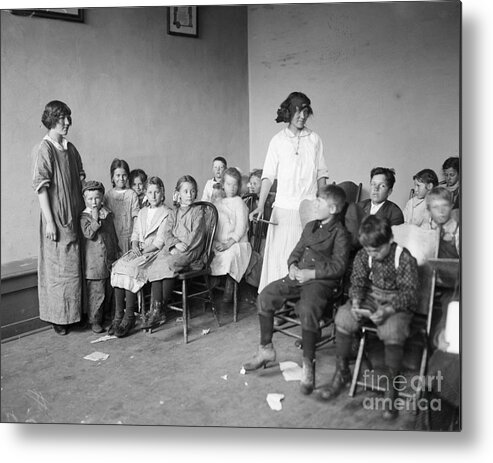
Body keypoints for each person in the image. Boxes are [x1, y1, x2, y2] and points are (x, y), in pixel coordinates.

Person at [243, 185, 350, 395]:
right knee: (266, 296)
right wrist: (292, 265)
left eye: (319, 202)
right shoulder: (311, 226)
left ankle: (308, 366)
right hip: (298, 276)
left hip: (321, 281)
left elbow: (339, 267)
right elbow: (296, 251)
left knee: (307, 309)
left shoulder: (340, 233)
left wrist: (312, 274)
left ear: (334, 209)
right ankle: (266, 349)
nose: (315, 204)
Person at [318, 215, 418, 421]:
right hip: (372, 296)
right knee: (344, 318)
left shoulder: (404, 257)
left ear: (389, 241)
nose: (372, 253)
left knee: (392, 331)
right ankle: (342, 371)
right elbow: (358, 281)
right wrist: (355, 302)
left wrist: (389, 310)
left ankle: (392, 387)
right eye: (369, 250)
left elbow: (409, 294)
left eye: (377, 250)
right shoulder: (366, 254)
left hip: (397, 301)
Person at [250, 92, 329, 292]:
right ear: (288, 112)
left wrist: (323, 205)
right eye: (297, 111)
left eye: (305, 111)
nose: (302, 116)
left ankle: (301, 303)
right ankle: (276, 300)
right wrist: (260, 205)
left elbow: (321, 175)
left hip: (308, 212)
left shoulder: (315, 140)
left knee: (304, 258)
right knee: (280, 258)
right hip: (283, 211)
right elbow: (268, 175)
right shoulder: (277, 141)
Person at [32, 100, 86, 335]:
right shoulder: (44, 149)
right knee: (58, 270)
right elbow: (42, 188)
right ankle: (59, 319)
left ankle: (75, 315)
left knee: (74, 268)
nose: (67, 122)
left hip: (74, 217)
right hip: (56, 219)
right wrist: (50, 222)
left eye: (68, 117)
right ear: (52, 119)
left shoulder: (70, 148)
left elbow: (81, 180)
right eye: (62, 118)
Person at [110, 176, 171, 336]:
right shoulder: (143, 212)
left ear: (162, 193)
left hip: (154, 253)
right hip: (140, 250)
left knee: (132, 268)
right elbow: (135, 233)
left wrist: (142, 252)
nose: (153, 196)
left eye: (157, 192)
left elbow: (159, 242)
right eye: (150, 192)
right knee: (118, 266)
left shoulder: (167, 213)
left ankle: (129, 316)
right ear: (145, 193)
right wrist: (135, 245)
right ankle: (118, 315)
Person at [145, 175, 207, 328]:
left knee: (171, 263)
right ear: (178, 194)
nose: (189, 195)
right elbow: (167, 233)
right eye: (185, 191)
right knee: (157, 262)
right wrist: (174, 245)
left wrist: (181, 246)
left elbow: (197, 234)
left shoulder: (198, 211)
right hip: (175, 248)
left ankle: (160, 307)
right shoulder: (174, 213)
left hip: (191, 250)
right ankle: (156, 309)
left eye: (193, 191)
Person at [104, 158, 140, 335]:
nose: (121, 178)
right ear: (112, 177)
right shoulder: (108, 196)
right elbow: (107, 222)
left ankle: (129, 315)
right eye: (117, 175)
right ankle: (118, 316)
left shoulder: (132, 195)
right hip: (114, 240)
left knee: (129, 274)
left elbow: (136, 219)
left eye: (124, 175)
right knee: (117, 274)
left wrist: (134, 242)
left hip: (130, 239)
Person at [80, 181, 120, 334]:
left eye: (97, 198)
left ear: (102, 197)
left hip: (109, 259)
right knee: (97, 293)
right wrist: (95, 220)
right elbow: (89, 234)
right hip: (94, 264)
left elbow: (111, 233)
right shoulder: (84, 217)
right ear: (85, 199)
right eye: (90, 199)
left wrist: (116, 249)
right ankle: (95, 320)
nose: (94, 202)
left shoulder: (107, 213)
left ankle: (109, 317)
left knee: (109, 291)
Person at [210, 167, 252, 302]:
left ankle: (230, 284)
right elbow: (215, 225)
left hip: (237, 243)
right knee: (211, 253)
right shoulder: (218, 203)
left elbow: (241, 228)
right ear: (223, 185)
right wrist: (216, 242)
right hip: (221, 241)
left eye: (235, 184)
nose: (232, 188)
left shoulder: (239, 202)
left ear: (239, 186)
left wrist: (228, 244)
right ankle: (214, 281)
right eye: (228, 184)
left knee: (231, 255)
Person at [421, 186, 459, 259]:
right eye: (435, 207)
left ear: (451, 206)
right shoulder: (425, 229)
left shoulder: (458, 231)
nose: (441, 211)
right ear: (429, 210)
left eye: (445, 206)